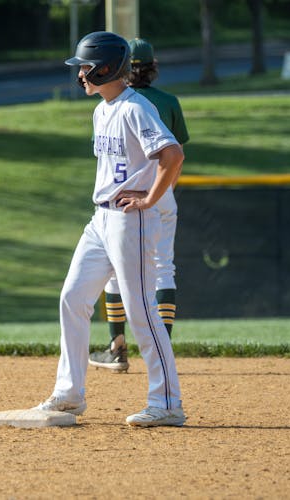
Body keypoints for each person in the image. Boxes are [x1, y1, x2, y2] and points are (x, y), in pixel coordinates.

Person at [33, 31, 186, 427]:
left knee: (140, 311)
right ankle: (69, 395)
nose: (80, 74)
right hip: (100, 218)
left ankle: (167, 402)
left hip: (130, 219)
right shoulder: (102, 109)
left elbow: (173, 154)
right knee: (73, 296)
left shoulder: (136, 108)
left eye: (84, 67)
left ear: (104, 67)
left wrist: (150, 200)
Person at [88, 37, 190, 374]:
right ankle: (164, 347)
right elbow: (175, 157)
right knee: (164, 270)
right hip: (162, 193)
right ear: (153, 67)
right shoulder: (168, 101)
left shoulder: (122, 102)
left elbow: (170, 153)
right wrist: (163, 193)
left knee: (114, 278)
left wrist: (148, 196)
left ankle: (117, 347)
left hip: (130, 199)